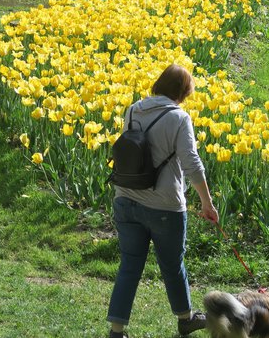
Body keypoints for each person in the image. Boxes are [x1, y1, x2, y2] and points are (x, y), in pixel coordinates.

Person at [107, 63, 219, 338]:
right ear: (183, 92)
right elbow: (191, 164)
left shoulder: (133, 109)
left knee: (129, 265)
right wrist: (207, 202)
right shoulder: (179, 118)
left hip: (126, 198)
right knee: (172, 265)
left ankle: (116, 330)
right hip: (164, 206)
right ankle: (185, 319)